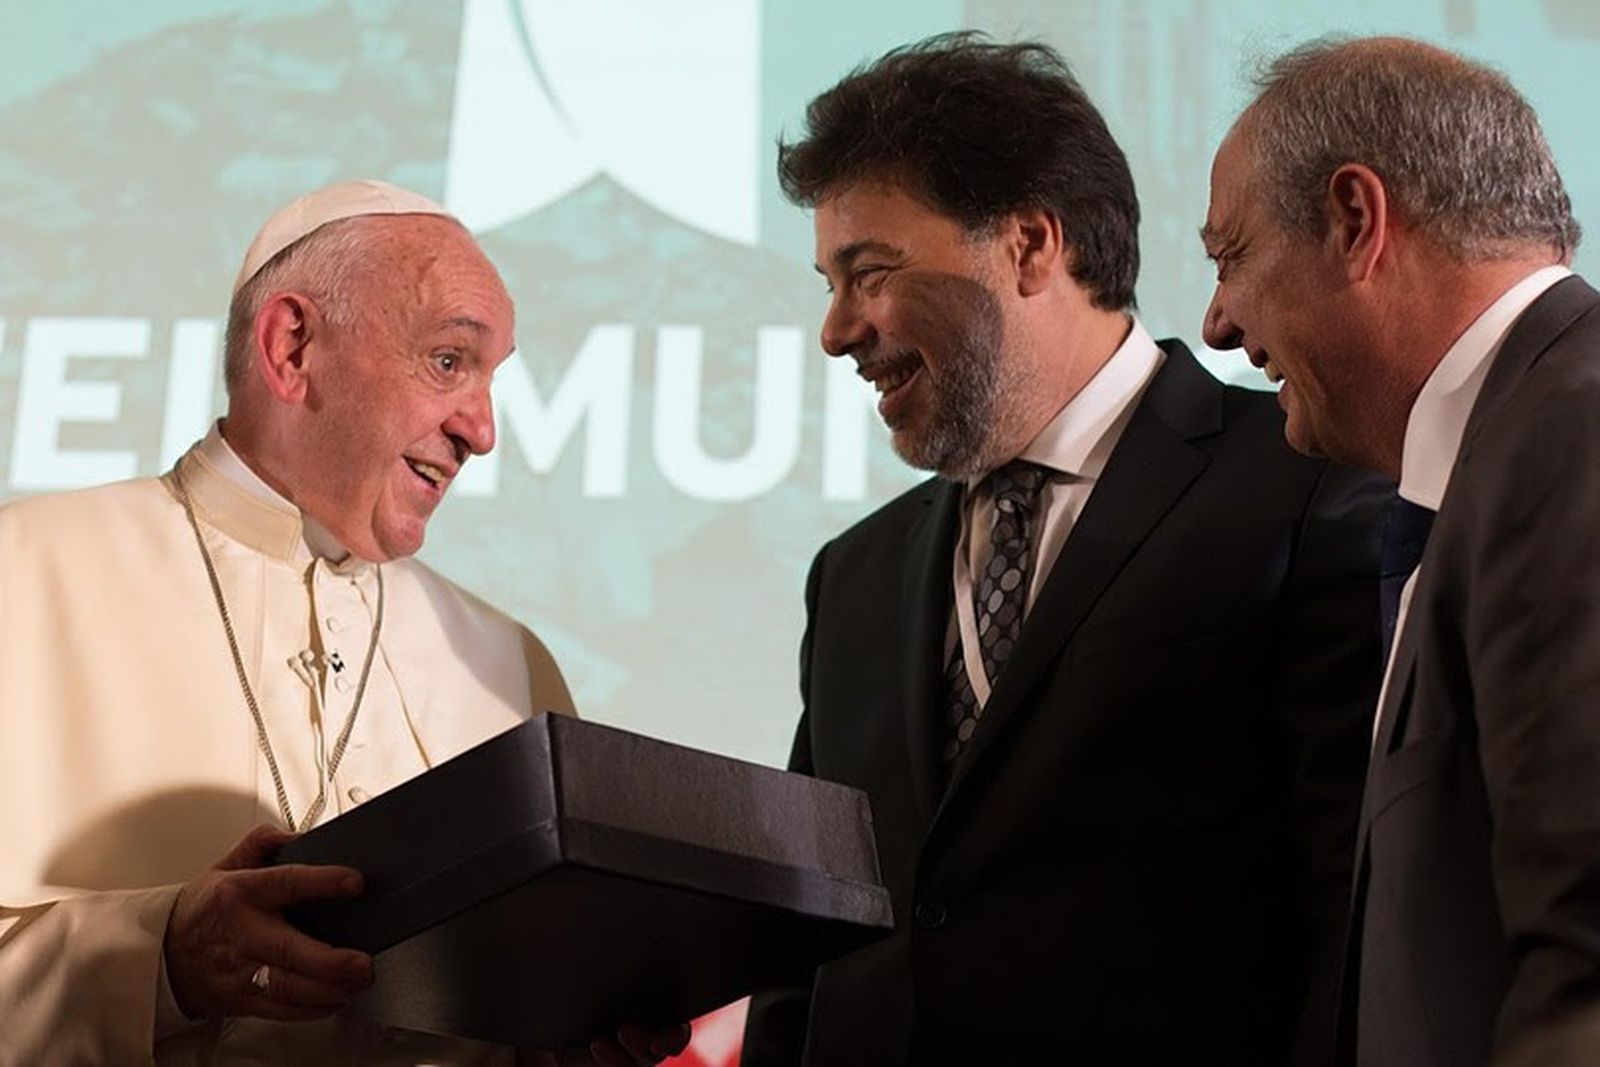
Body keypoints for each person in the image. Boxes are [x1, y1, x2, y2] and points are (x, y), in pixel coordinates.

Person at [741, 33, 1390, 1067]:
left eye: (868, 273)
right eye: (829, 282)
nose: (833, 331)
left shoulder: (1310, 485)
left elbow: (1354, 900)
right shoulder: (853, 573)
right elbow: (802, 946)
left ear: (1031, 244)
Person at [0, 180, 688, 1065]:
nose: (482, 429)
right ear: (292, 347)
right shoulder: (23, 574)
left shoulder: (510, 664)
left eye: (491, 377)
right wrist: (162, 958)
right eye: (449, 361)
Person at [1200, 36, 1598, 1067]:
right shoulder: (1506, 447)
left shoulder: (1571, 432)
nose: (1215, 322)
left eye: (1229, 255)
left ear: (1353, 220)